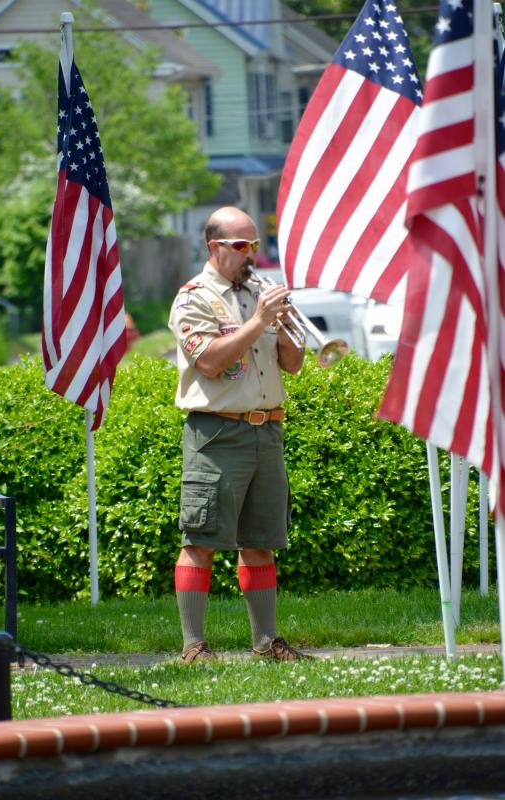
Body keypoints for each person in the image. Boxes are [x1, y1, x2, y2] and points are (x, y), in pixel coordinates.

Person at [168, 206, 309, 663]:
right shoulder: (193, 298)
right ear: (214, 247)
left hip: (267, 431)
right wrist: (259, 322)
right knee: (201, 540)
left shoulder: (258, 294)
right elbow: (209, 362)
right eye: (241, 245)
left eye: (255, 244)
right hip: (217, 434)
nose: (252, 253)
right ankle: (194, 646)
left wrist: (285, 327)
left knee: (261, 541)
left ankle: (266, 643)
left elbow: (292, 364)